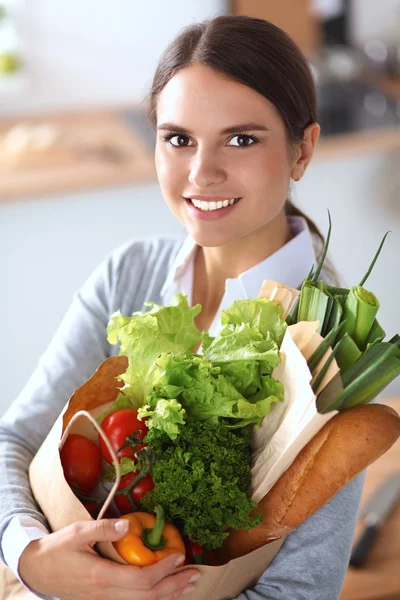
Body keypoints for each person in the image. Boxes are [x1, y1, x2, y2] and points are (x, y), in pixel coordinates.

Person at [0, 15, 364, 600]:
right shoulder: (128, 274)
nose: (202, 172)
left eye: (241, 139)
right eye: (179, 138)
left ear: (303, 150)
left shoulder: (330, 347)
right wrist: (29, 555)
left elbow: (300, 589)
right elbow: (14, 438)